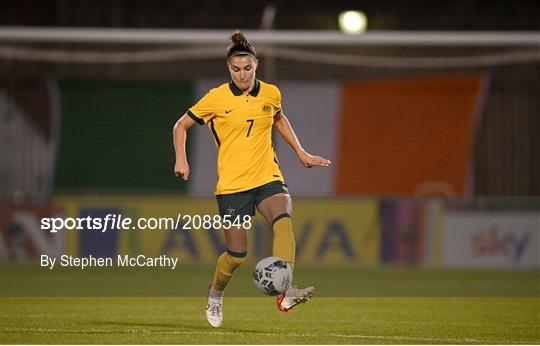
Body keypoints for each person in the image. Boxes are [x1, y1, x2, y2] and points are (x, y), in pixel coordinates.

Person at [173, 31, 331, 328]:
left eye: (247, 68)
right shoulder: (216, 98)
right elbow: (180, 125)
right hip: (233, 185)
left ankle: (286, 292)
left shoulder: (271, 92)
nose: (242, 75)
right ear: (228, 68)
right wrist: (181, 159)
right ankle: (215, 294)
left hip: (267, 176)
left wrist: (301, 152)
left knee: (284, 220)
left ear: (256, 64)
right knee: (236, 256)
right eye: (236, 69)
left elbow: (279, 118)